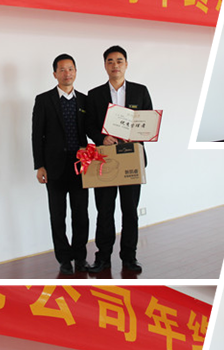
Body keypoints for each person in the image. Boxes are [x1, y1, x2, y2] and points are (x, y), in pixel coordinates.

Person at [86, 46, 153, 274]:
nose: (115, 65)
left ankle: (129, 258)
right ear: (105, 65)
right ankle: (103, 258)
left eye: (119, 60)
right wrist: (101, 138)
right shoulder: (94, 95)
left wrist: (136, 134)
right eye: (110, 61)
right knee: (104, 211)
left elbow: (148, 122)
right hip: (105, 159)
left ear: (126, 64)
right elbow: (88, 126)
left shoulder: (140, 91)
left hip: (131, 157)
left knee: (130, 211)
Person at [32, 54, 90, 274]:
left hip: (80, 166)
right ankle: (64, 259)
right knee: (58, 216)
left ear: (76, 71)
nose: (67, 73)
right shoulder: (43, 100)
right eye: (62, 69)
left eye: (71, 69)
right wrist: (40, 165)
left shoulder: (84, 100)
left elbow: (91, 129)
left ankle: (80, 257)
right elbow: (37, 135)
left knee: (81, 214)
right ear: (55, 74)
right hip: (54, 167)